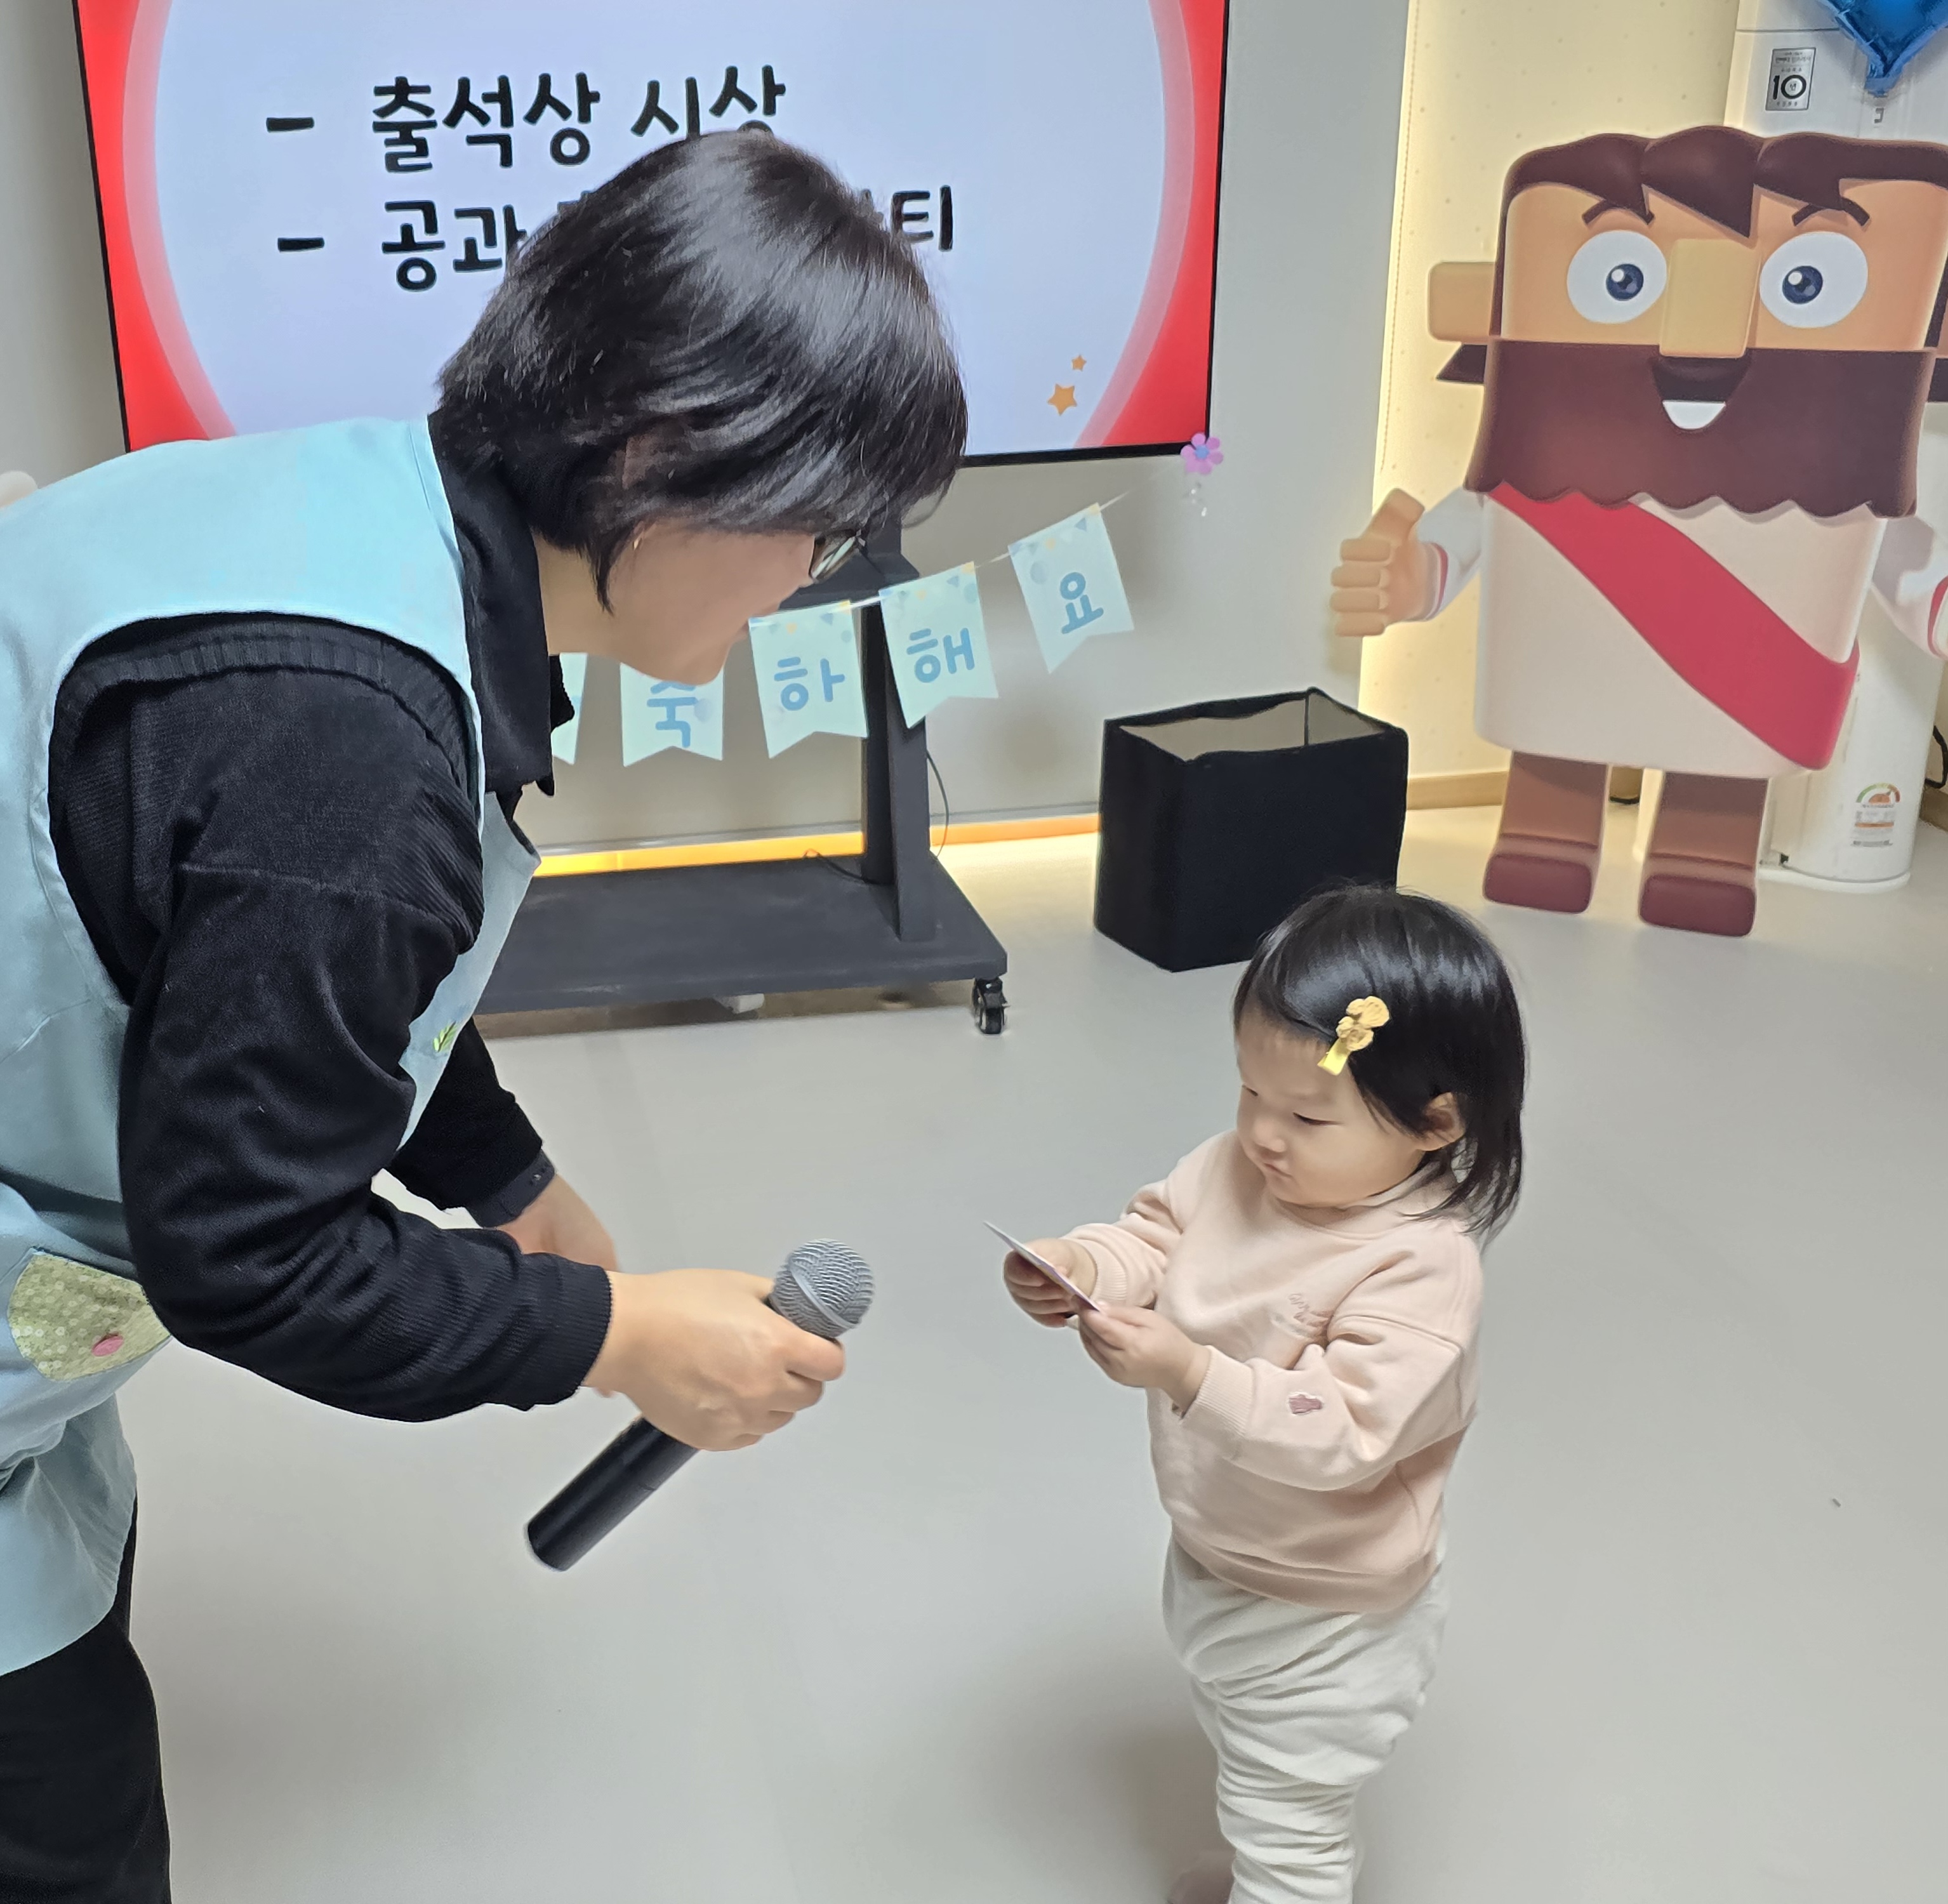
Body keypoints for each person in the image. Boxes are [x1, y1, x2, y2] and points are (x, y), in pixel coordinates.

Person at [0, 130, 966, 1901]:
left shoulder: (354, 517)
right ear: (662, 454)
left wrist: (501, 1176)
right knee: (63, 1825)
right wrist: (610, 1337)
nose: (808, 580)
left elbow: (262, 957)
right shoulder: (348, 752)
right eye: (812, 527)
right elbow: (251, 1257)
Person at [1002, 887, 1526, 1904]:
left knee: (1288, 1812)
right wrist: (1084, 1266)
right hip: (1223, 1547)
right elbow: (1157, 1234)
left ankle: (1281, 1880)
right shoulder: (1235, 1169)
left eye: (1306, 1116)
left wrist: (1189, 1373)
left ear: (1434, 1121)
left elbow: (1347, 1432)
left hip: (1330, 1608)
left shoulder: (1418, 1268)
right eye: (1248, 1093)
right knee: (1241, 1745)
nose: (1262, 1136)